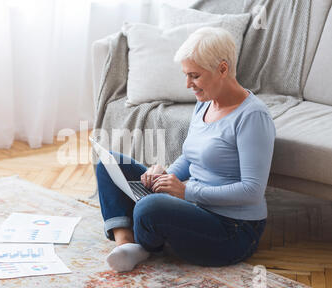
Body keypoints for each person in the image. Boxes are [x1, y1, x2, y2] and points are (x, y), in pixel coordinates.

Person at [95, 27, 276, 272]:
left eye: (195, 76)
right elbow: (190, 157)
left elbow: (252, 191)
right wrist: (164, 175)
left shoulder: (253, 117)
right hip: (195, 207)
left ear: (222, 69)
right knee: (108, 163)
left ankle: (143, 243)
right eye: (186, 75)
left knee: (150, 207)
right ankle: (126, 243)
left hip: (232, 230)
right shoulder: (205, 104)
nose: (188, 84)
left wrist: (186, 191)